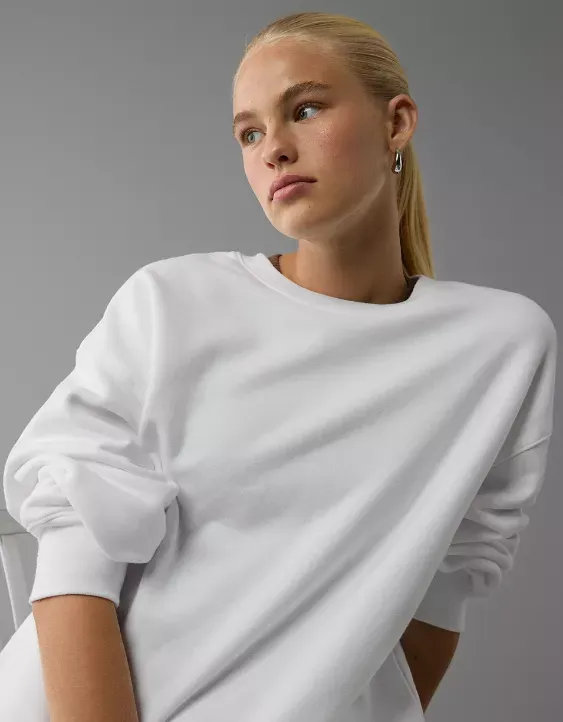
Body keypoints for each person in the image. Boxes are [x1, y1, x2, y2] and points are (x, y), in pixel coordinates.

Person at [0, 11, 557, 722]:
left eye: (306, 109)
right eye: (250, 133)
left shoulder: (499, 345)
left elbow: (448, 583)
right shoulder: (174, 303)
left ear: (396, 123)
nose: (274, 150)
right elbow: (77, 552)